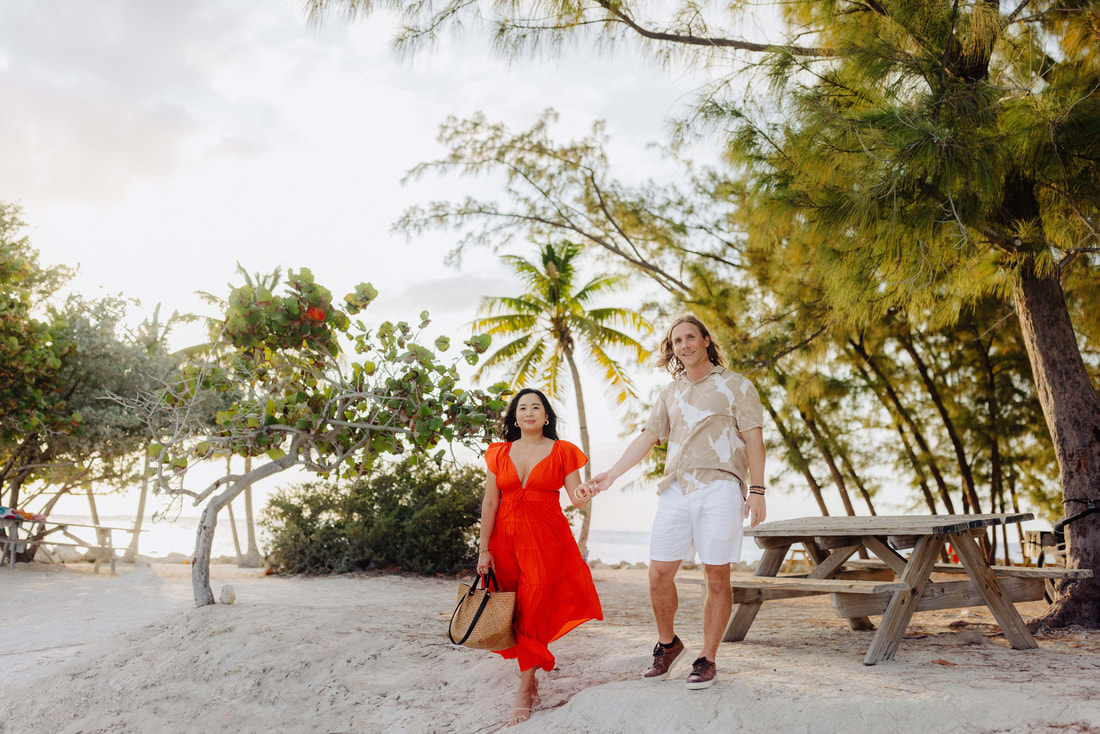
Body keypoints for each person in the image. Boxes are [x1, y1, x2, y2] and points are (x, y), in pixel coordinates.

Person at [577, 314, 766, 690]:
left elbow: (754, 441)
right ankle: (669, 644)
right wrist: (610, 475)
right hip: (676, 488)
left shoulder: (738, 386)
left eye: (690, 337)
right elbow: (648, 436)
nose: (683, 345)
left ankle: (707, 659)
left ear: (706, 340)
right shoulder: (671, 392)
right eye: (676, 341)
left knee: (717, 578)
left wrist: (757, 491)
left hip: (721, 486)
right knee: (658, 574)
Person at [476, 387, 603, 727]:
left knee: (535, 607)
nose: (529, 412)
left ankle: (523, 689)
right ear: (514, 417)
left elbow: (577, 500)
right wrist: (483, 548)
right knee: (516, 609)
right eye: (522, 408)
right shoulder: (498, 453)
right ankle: (531, 680)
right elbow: (490, 503)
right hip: (504, 541)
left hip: (546, 540)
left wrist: (586, 491)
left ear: (546, 416)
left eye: (536, 407)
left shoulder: (563, 451)